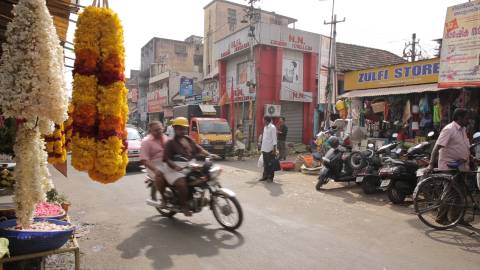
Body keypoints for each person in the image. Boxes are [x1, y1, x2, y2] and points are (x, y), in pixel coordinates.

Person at [163, 117, 217, 216]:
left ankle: (199, 198)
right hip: (174, 170)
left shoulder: (188, 139)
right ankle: (184, 206)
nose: (182, 130)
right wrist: (175, 167)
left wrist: (209, 154)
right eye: (179, 128)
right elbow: (167, 159)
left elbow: (199, 149)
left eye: (184, 128)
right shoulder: (170, 142)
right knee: (182, 184)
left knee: (203, 177)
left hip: (189, 167)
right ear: (175, 128)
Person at [428, 108, 471, 225]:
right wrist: (431, 164)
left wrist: (471, 157)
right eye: (466, 117)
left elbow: (464, 146)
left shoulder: (463, 130)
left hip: (461, 167)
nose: (469, 120)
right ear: (459, 118)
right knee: (450, 193)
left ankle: (456, 218)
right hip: (449, 167)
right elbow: (436, 148)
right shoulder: (449, 129)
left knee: (460, 193)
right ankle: (441, 217)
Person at [139, 121, 169, 206]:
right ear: (151, 131)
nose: (159, 131)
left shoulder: (166, 138)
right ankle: (163, 198)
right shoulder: (146, 141)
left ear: (163, 128)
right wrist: (155, 170)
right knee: (160, 175)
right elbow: (144, 160)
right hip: (154, 164)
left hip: (167, 162)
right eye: (156, 130)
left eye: (160, 129)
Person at [259, 116, 277, 182]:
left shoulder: (272, 127)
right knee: (265, 164)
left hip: (270, 149)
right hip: (264, 148)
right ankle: (265, 176)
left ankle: (270, 178)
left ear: (266, 120)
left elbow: (274, 139)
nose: (262, 121)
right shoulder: (265, 128)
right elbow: (265, 138)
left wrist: (274, 150)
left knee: (270, 164)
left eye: (263, 120)